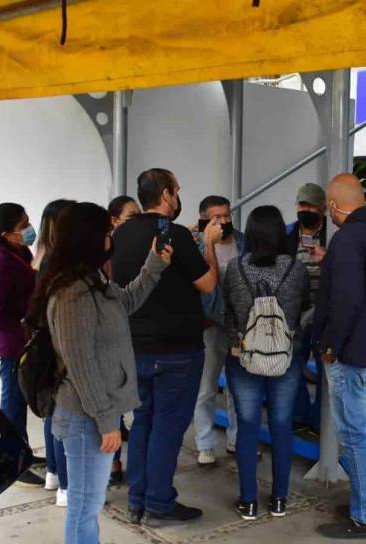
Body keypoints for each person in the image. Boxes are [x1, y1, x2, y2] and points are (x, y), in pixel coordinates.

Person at [30, 202, 172, 544]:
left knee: (88, 505)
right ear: (88, 237)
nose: (112, 238)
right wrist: (107, 421)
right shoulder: (71, 293)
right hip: (84, 417)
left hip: (91, 414)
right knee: (84, 506)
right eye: (107, 232)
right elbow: (81, 365)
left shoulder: (93, 280)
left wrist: (153, 266)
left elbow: (127, 302)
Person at [112, 168, 222, 527]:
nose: (179, 196)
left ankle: (137, 499)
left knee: (143, 421)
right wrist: (207, 244)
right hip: (176, 351)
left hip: (135, 348)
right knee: (168, 427)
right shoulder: (173, 234)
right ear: (165, 194)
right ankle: (159, 502)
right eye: (176, 190)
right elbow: (207, 284)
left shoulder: (121, 233)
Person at [313, 173, 366, 539]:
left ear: (333, 206)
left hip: (354, 352)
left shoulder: (347, 239)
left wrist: (331, 344)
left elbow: (345, 300)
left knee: (354, 434)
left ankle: (363, 517)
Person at [223, 205, 310, 520]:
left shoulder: (235, 268)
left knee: (247, 425)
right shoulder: (296, 269)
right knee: (281, 425)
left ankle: (248, 501)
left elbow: (227, 311)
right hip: (286, 358)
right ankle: (279, 500)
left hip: (242, 357)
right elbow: (305, 308)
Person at [0, 202, 45, 486]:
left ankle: (24, 453)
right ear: (6, 233)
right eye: (23, 225)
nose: (29, 229)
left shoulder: (16, 252)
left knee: (22, 399)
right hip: (14, 343)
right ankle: (15, 463)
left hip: (24, 339)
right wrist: (22, 323)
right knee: (13, 403)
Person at [193, 195, 247, 467]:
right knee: (206, 386)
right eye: (217, 217)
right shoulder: (196, 244)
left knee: (239, 387)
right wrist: (206, 244)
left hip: (239, 323)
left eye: (227, 215)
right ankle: (205, 443)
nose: (224, 221)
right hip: (209, 323)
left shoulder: (242, 240)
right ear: (204, 218)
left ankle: (237, 440)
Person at [32, 199, 75, 505]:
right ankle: (67, 487)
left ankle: (54, 473)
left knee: (52, 414)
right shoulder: (61, 263)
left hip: (46, 346)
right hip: (60, 348)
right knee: (63, 417)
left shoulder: (41, 257)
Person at [286, 183, 328, 432]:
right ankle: (299, 414)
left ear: (323, 208)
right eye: (302, 205)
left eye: (312, 206)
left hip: (325, 312)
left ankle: (320, 420)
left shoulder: (332, 235)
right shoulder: (288, 234)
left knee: (325, 371)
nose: (306, 210)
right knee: (293, 367)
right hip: (296, 313)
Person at [107, 195, 139, 485]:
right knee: (114, 399)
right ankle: (114, 463)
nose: (137, 221)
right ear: (114, 221)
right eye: (131, 217)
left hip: (136, 333)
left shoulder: (141, 245)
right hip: (115, 338)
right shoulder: (107, 255)